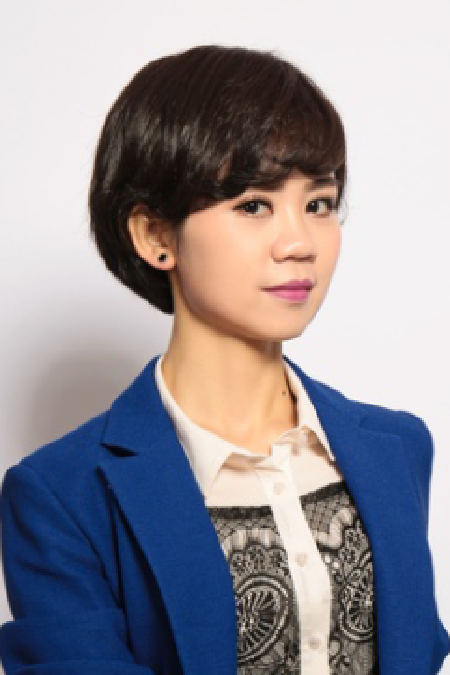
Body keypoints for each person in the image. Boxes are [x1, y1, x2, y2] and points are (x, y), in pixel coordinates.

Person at [0, 44, 448, 675]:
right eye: (253, 205)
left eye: (318, 203)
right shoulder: (62, 496)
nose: (299, 243)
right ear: (155, 234)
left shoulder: (397, 449)